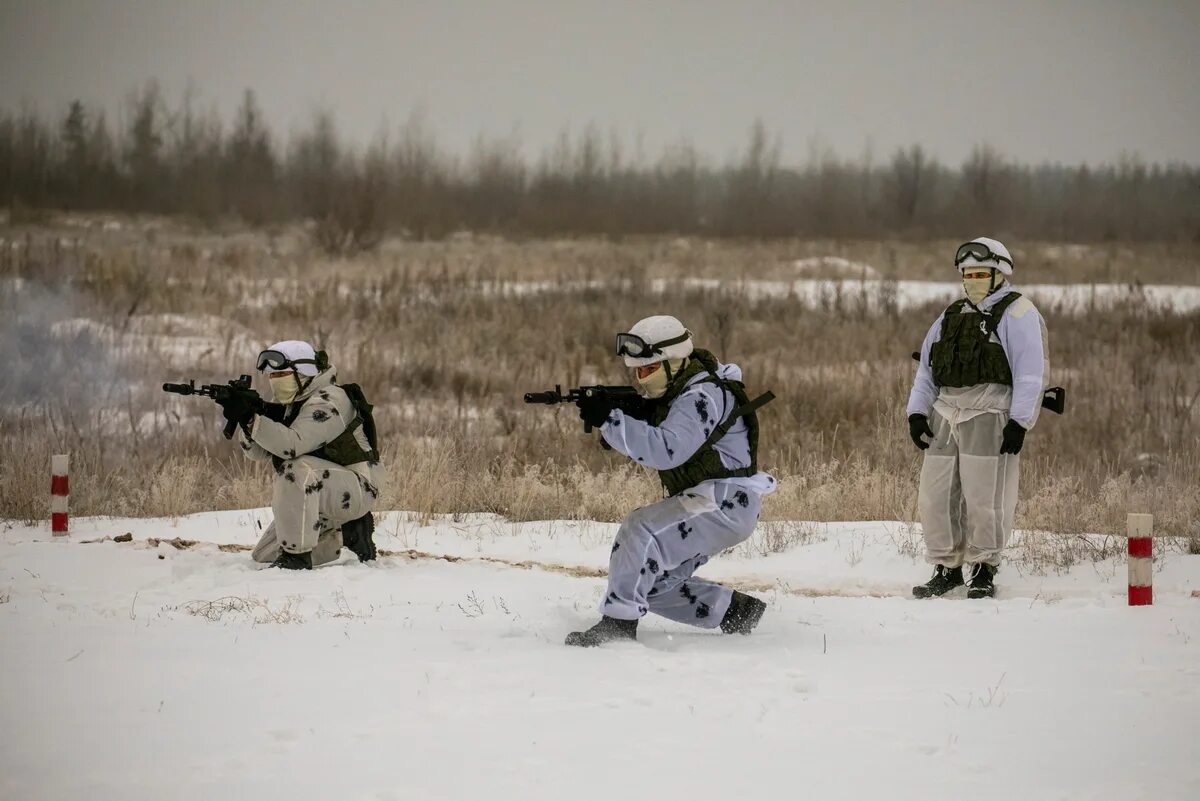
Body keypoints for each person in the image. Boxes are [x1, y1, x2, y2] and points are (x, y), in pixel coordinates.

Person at [565, 315, 777, 647]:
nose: (640, 378)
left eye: (648, 369)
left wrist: (611, 421)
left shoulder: (701, 397)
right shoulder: (685, 392)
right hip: (719, 503)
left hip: (723, 503)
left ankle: (618, 627)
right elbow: (665, 436)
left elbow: (668, 450)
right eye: (636, 371)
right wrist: (622, 427)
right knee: (648, 581)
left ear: (674, 361)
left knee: (639, 529)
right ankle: (734, 611)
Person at [906, 238, 1048, 599]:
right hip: (945, 416)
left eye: (980, 273)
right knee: (935, 496)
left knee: (986, 497)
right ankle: (946, 567)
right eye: (967, 274)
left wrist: (1020, 422)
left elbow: (1031, 373)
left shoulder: (1019, 314)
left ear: (1000, 274)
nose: (973, 280)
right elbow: (927, 370)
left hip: (990, 415)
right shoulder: (950, 315)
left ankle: (985, 567)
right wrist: (917, 413)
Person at [220, 340, 383, 570]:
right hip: (321, 487)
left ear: (303, 371)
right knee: (264, 554)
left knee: (294, 468)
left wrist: (251, 419)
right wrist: (248, 419)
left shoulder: (331, 400)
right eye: (272, 376)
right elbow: (257, 452)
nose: (275, 381)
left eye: (282, 374)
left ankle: (297, 559)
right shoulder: (290, 402)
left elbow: (291, 446)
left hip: (358, 489)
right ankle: (348, 534)